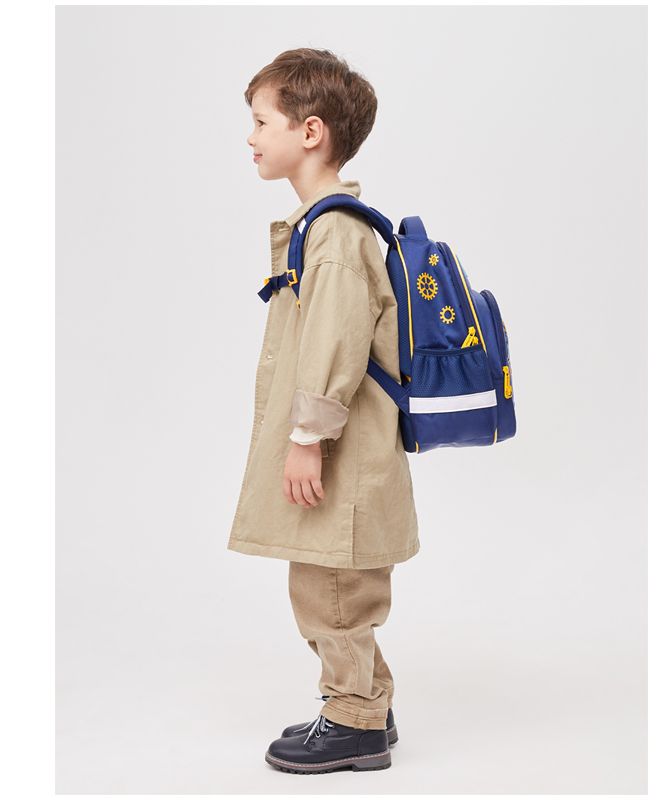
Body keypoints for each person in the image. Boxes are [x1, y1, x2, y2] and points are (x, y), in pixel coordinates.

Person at [228, 47, 420, 774]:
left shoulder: (335, 233)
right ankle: (367, 701)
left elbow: (335, 344)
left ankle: (354, 722)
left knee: (333, 589)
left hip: (343, 453)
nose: (251, 137)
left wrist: (307, 437)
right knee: (333, 582)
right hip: (348, 449)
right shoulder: (325, 225)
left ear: (310, 132)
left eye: (261, 121)